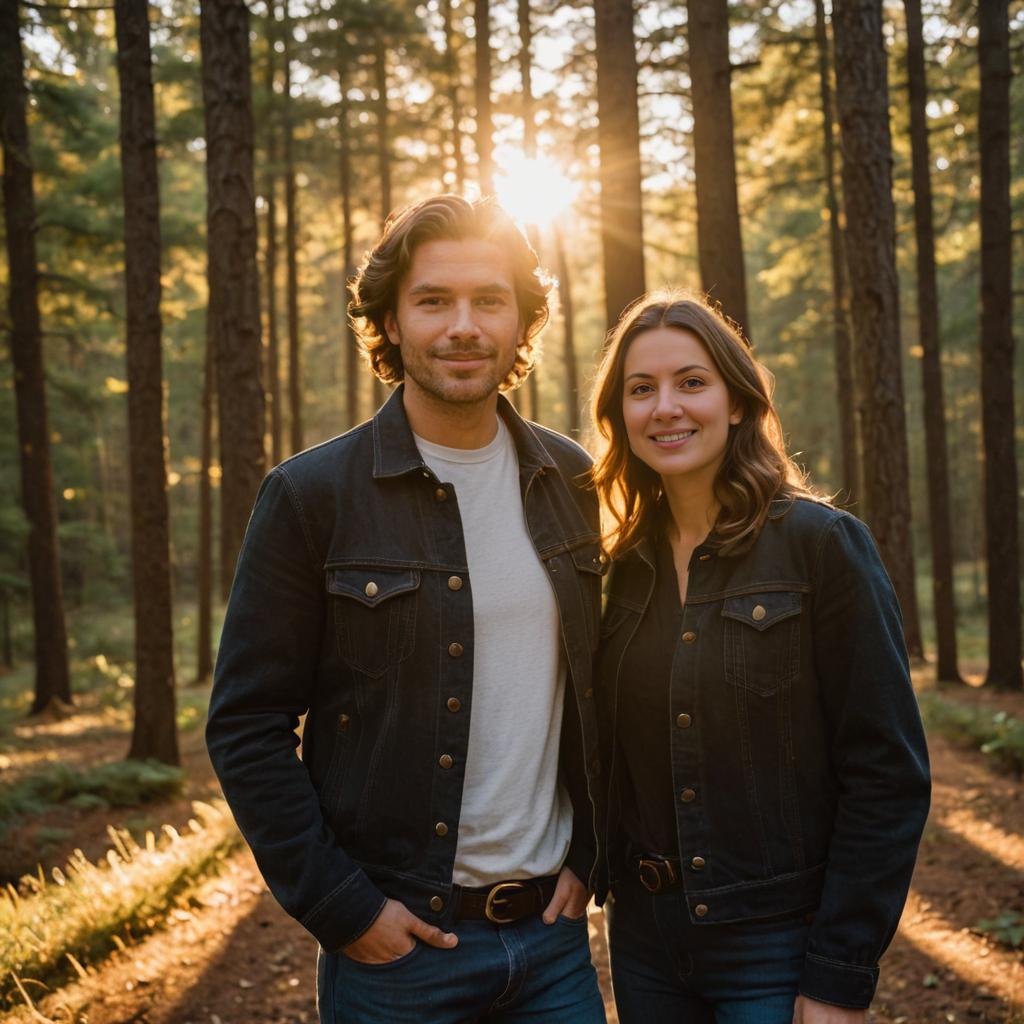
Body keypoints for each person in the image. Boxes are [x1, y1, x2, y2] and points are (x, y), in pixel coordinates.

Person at [206, 195, 607, 1024]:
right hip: (398, 956)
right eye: (433, 301)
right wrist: (343, 910)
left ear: (521, 320)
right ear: (389, 320)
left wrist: (594, 854)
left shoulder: (571, 481)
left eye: (489, 300)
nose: (463, 326)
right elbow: (246, 724)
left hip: (553, 946)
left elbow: (610, 689)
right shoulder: (313, 496)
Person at [589, 291, 930, 1024]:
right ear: (619, 416)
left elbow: (887, 774)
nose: (666, 408)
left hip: (774, 944)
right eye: (640, 390)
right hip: (644, 943)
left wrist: (839, 972)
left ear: (737, 402)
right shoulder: (620, 570)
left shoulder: (821, 545)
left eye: (691, 381)